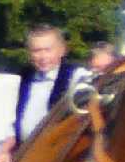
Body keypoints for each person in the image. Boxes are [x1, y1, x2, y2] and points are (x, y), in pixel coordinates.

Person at [10, 22, 82, 152]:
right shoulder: (22, 79)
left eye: (48, 50)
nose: (43, 57)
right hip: (23, 152)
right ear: (29, 53)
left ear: (62, 50)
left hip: (58, 154)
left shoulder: (76, 77)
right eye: (36, 51)